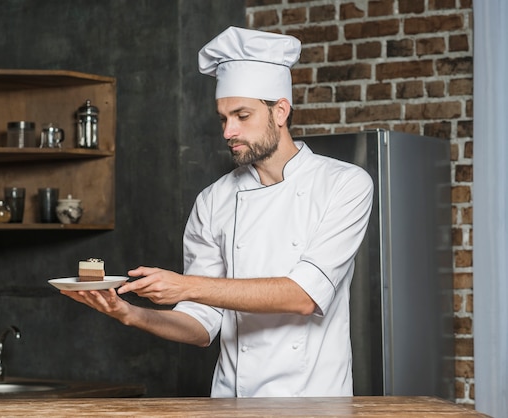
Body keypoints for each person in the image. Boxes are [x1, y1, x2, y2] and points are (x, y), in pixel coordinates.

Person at [62, 26, 374, 398]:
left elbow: (303, 296)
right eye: (223, 118)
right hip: (232, 403)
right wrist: (128, 313)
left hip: (314, 402)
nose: (228, 131)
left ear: (280, 111)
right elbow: (200, 325)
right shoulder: (214, 200)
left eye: (242, 116)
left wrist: (185, 285)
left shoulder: (344, 183)